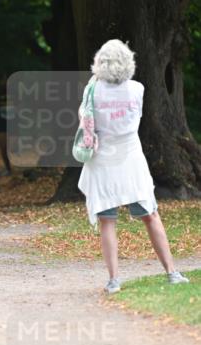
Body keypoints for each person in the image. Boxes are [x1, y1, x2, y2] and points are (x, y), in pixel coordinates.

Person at [77, 39, 189, 294]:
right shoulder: (137, 89)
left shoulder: (93, 88)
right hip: (130, 159)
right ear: (128, 61)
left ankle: (114, 280)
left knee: (107, 221)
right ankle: (172, 272)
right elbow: (135, 120)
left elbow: (85, 119)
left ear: (100, 61)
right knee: (150, 215)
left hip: (103, 159)